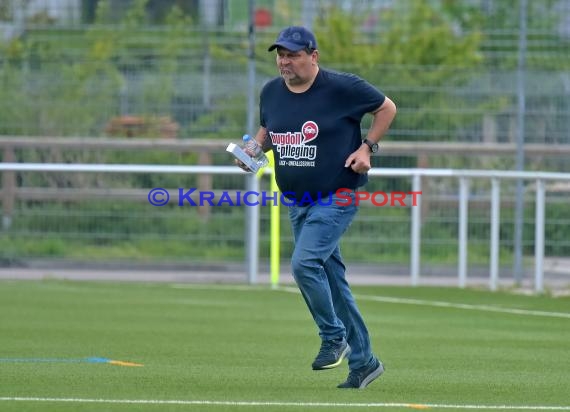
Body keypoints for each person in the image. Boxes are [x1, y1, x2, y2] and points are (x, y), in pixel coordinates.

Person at [237, 26, 397, 389]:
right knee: (335, 286)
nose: (284, 61)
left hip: (336, 196)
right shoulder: (271, 91)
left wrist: (367, 147)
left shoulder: (343, 88)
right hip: (299, 201)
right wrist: (252, 152)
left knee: (304, 263)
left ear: (314, 55)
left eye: (292, 54)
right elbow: (268, 130)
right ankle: (365, 362)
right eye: (280, 54)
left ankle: (333, 336)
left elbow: (387, 108)